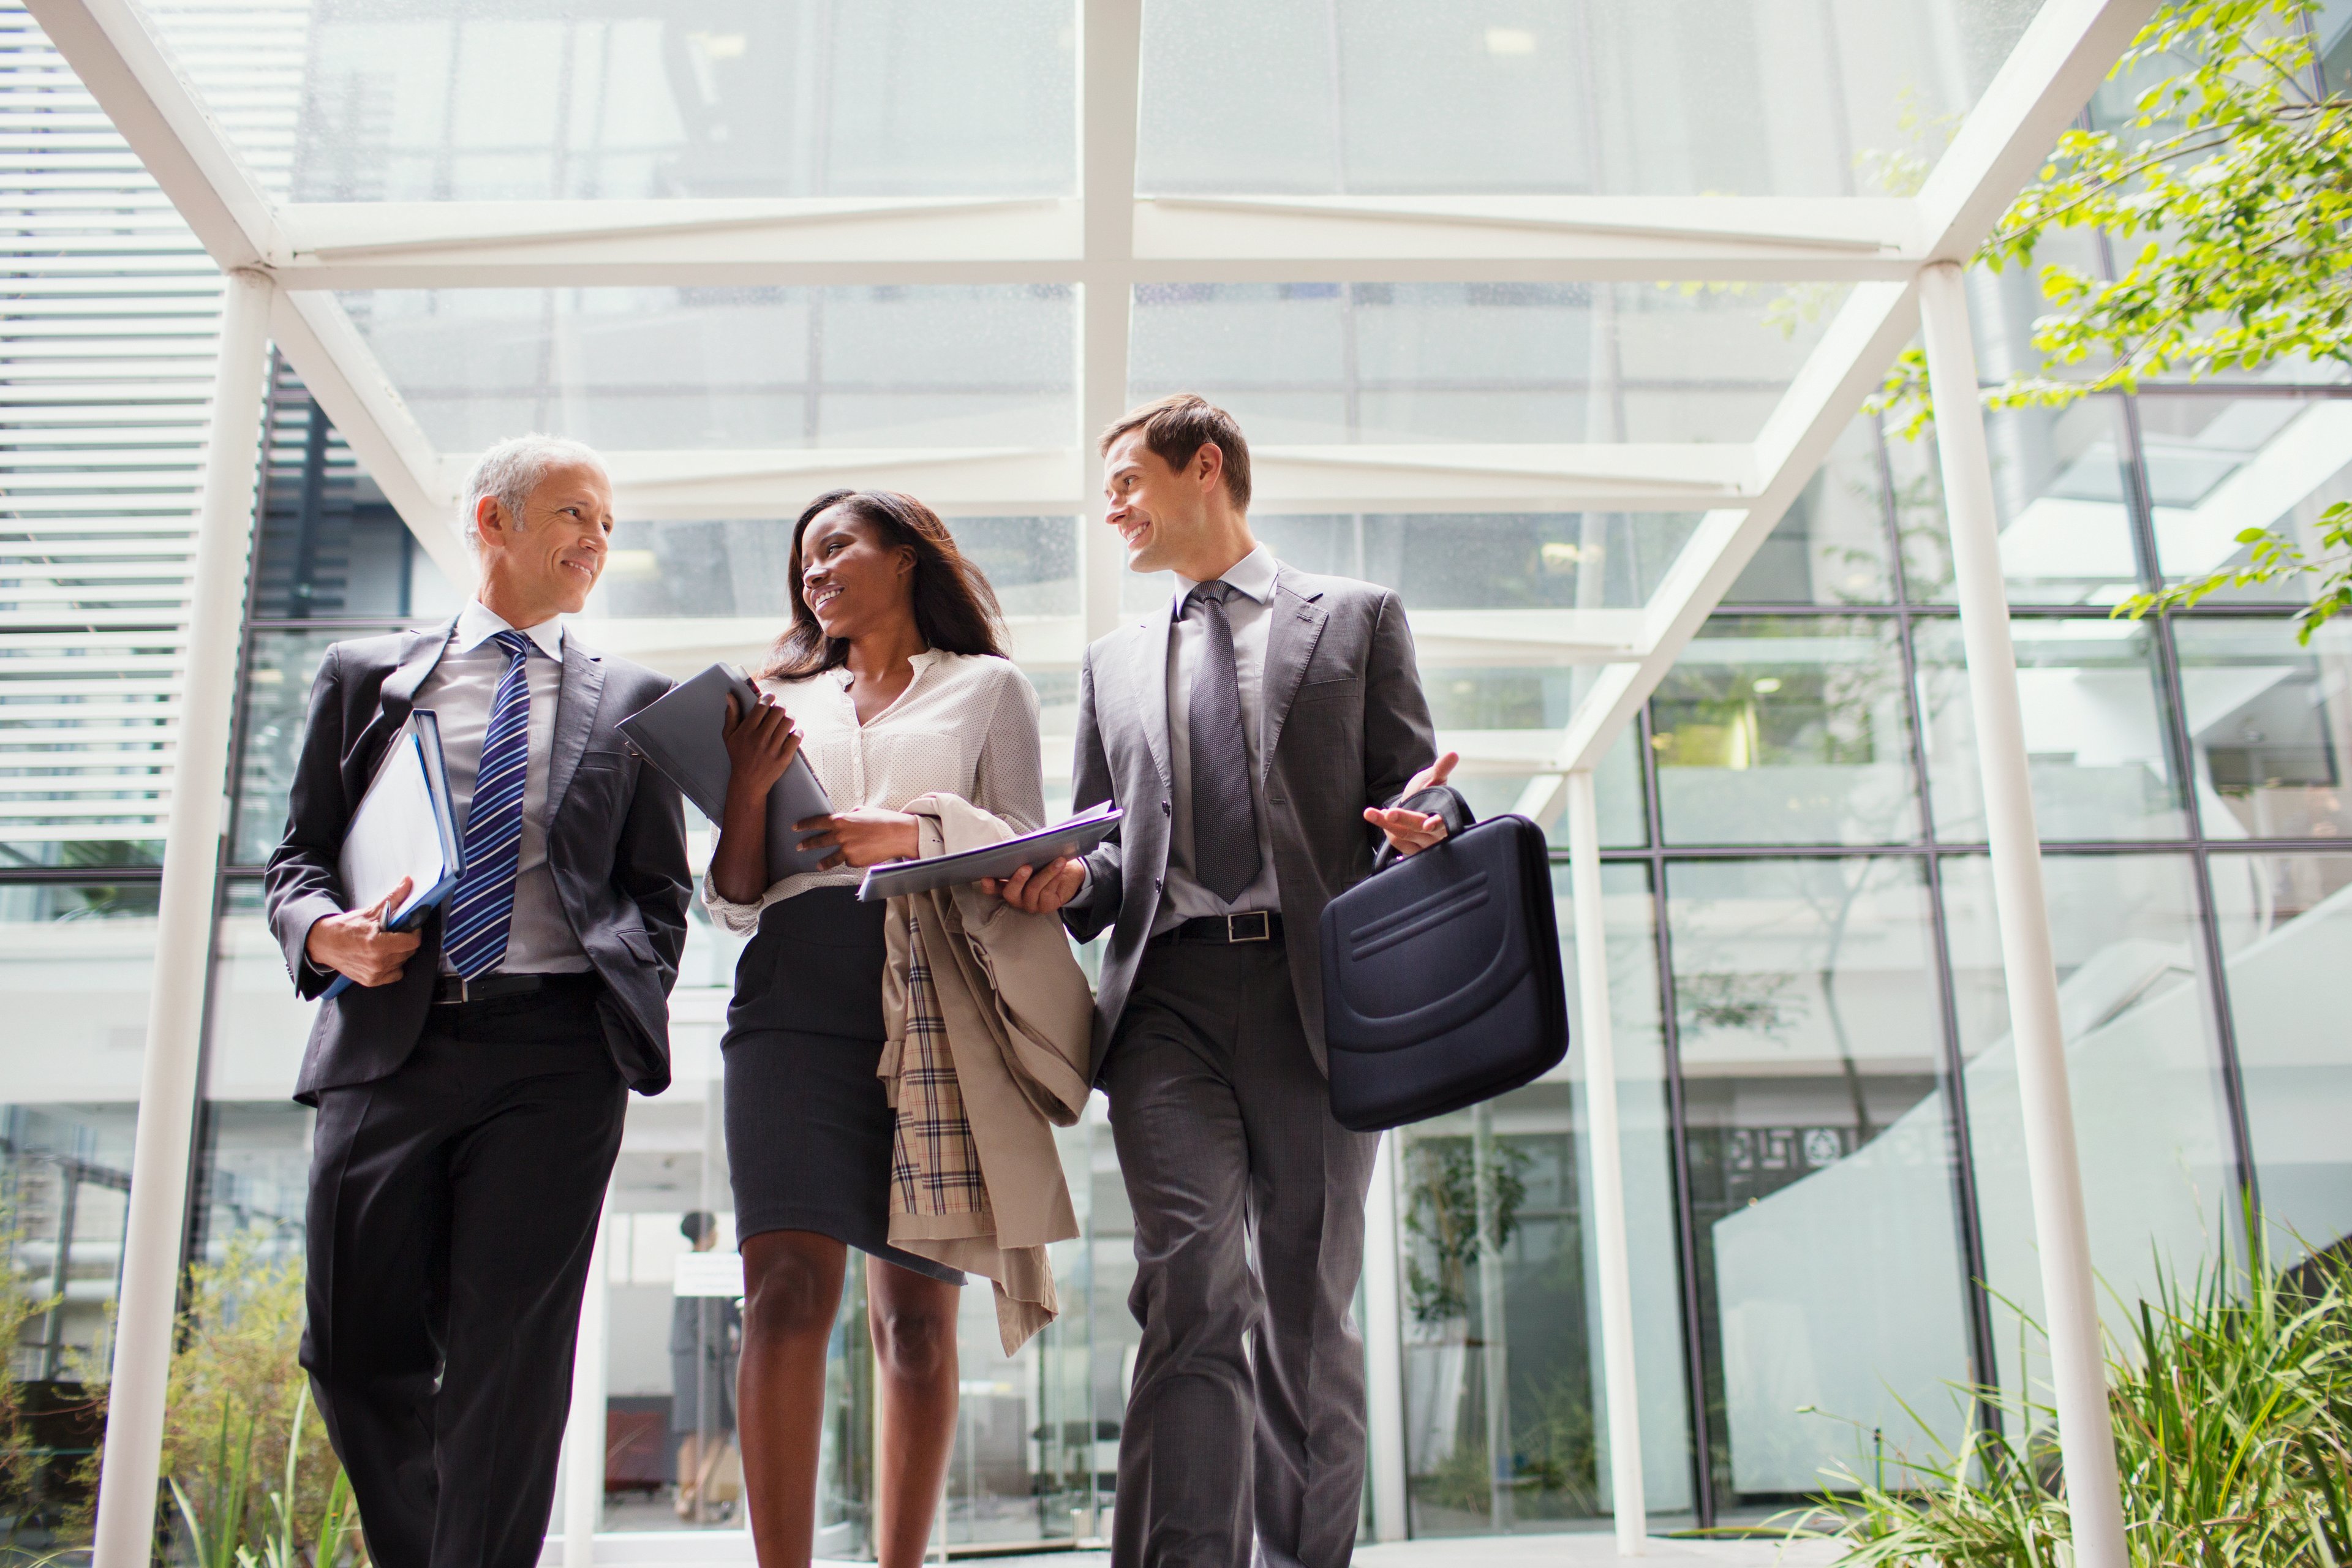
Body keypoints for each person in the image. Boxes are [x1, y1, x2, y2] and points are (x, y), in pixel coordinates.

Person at [997, 394, 1462, 1568]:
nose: (1111, 510)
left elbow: (1422, 782)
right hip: (1166, 1010)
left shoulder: (1354, 620)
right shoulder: (1111, 663)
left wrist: (1431, 820)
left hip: (1318, 999)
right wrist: (1069, 883)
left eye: (1124, 483)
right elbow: (1110, 852)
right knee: (1189, 1288)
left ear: (1205, 468)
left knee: (1306, 1311)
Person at [262, 435, 691, 1568]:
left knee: (512, 1364)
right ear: (491, 523)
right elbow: (296, 863)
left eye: (607, 522)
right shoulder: (368, 676)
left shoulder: (636, 703)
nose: (597, 540)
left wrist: (626, 992)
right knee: (351, 1349)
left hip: (557, 1056)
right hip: (388, 1042)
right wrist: (329, 936)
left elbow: (660, 894)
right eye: (573, 514)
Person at [704, 488, 1046, 1568]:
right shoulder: (771, 697)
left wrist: (913, 832)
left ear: (906, 557)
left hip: (934, 1003)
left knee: (914, 1321)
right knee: (787, 1294)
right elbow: (729, 896)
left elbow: (1035, 857)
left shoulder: (988, 690)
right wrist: (749, 785)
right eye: (802, 560)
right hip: (789, 1003)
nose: (815, 572)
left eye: (837, 547)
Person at [671, 1211, 741, 1521]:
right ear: (705, 1233)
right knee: (706, 1430)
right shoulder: (700, 1267)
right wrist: (726, 1346)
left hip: (696, 1356)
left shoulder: (696, 1266)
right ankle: (689, 1498)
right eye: (714, 1229)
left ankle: (691, 1497)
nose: (717, 1234)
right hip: (700, 1358)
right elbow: (699, 1321)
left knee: (707, 1429)